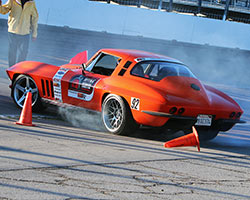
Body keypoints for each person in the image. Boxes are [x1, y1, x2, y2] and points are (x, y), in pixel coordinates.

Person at [0, 0, 38, 67]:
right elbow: (4, 11)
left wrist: (34, 33)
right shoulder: (12, 1)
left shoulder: (31, 3)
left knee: (23, 53)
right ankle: (11, 69)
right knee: (12, 52)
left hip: (25, 32)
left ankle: (18, 69)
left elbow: (34, 18)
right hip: (13, 31)